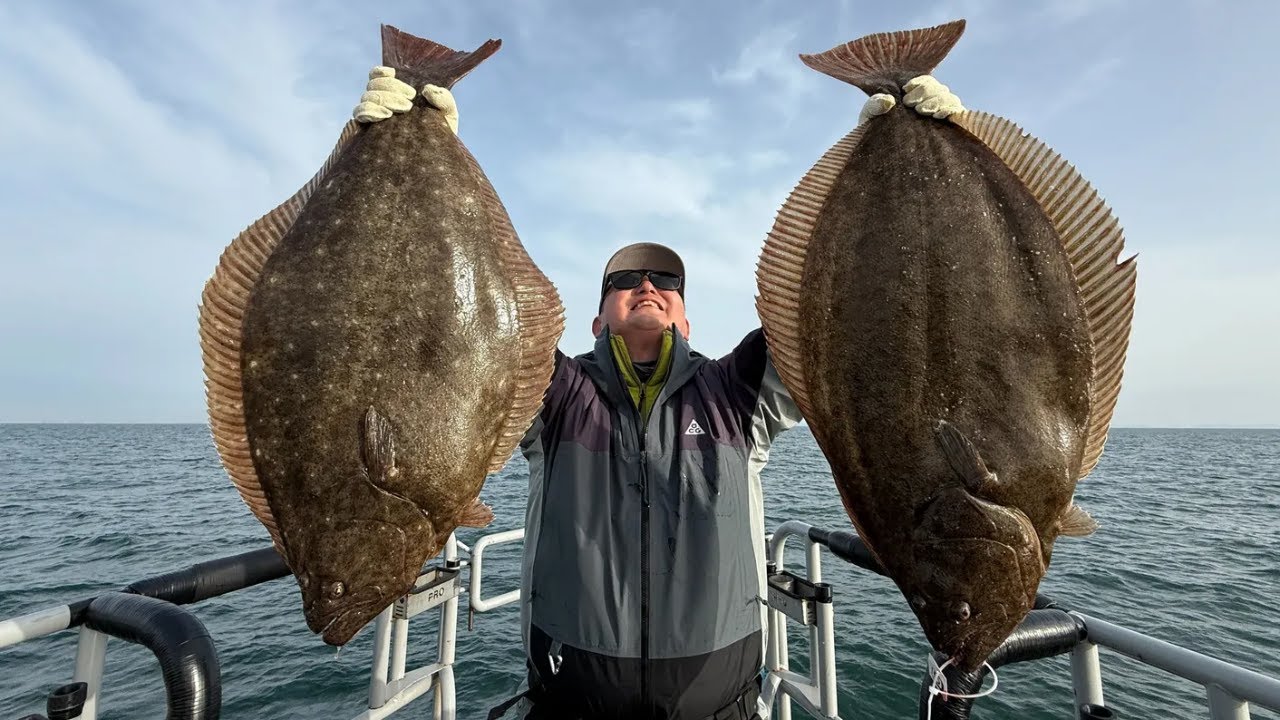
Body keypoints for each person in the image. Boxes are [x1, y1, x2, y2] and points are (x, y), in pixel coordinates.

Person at [354, 67, 962, 720]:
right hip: (568, 702)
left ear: (686, 318)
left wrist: (915, 168)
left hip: (724, 705)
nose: (646, 285)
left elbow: (848, 315)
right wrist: (396, 164)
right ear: (597, 320)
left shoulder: (738, 390)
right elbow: (449, 325)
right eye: (625, 280)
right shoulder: (553, 391)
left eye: (665, 280)